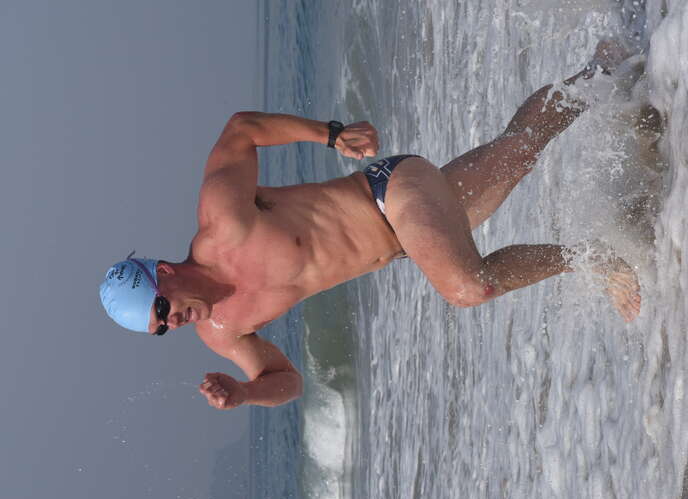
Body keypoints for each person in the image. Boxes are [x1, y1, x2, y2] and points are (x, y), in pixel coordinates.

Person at [99, 41, 641, 411]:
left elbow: (240, 131)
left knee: (466, 288)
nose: (174, 323)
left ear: (164, 273)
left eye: (162, 310)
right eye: (162, 330)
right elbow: (287, 382)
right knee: (518, 152)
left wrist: (331, 134)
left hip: (389, 190)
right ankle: (607, 68)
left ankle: (595, 258)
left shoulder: (222, 223)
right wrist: (245, 395)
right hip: (407, 239)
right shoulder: (222, 332)